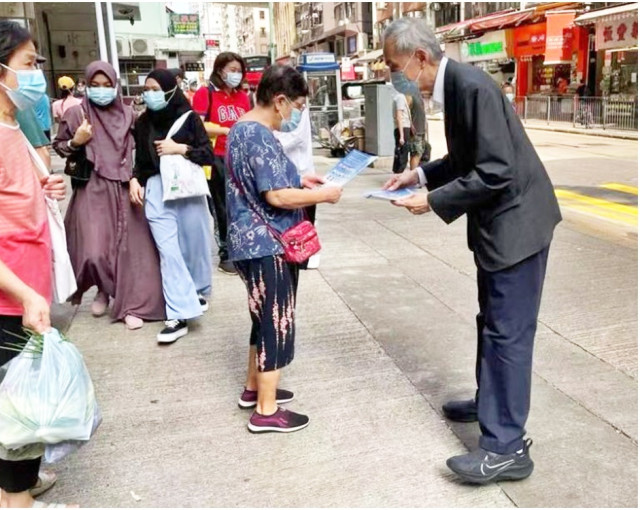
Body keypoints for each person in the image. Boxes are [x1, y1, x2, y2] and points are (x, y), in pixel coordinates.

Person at [383, 18, 561, 483]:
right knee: (493, 323)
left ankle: (506, 448)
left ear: (420, 57)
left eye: (393, 66)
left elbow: (496, 170)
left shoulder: (472, 87)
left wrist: (434, 200)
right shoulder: (458, 87)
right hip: (500, 231)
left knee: (508, 334)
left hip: (517, 228)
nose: (392, 77)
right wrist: (418, 177)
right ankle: (490, 406)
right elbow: (466, 160)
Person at [0, 19, 73, 508]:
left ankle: (17, 489)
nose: (37, 76)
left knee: (25, 403)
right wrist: (26, 294)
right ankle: (15, 501)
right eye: (29, 65)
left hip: (24, 291)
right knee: (15, 408)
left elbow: (8, 197)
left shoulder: (9, 123)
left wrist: (45, 187)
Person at [227, 65, 343, 433]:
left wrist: (303, 180)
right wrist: (322, 195)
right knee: (276, 321)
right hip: (268, 243)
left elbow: (268, 179)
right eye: (295, 106)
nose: (294, 115)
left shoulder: (243, 128)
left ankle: (253, 388)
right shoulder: (258, 135)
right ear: (278, 101)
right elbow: (275, 195)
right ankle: (266, 409)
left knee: (262, 319)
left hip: (250, 242)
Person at [54, 61, 165, 330]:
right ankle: (104, 288)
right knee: (94, 251)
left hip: (126, 187)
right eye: (95, 86)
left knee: (129, 250)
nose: (101, 91)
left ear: (115, 86)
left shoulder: (129, 115)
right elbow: (60, 147)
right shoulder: (76, 114)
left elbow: (143, 149)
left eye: (107, 86)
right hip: (91, 187)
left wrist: (138, 178)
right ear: (85, 86)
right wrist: (76, 141)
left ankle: (127, 302)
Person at [132, 69, 215, 344]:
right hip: (157, 190)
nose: (150, 94)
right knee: (169, 253)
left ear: (170, 89)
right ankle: (178, 315)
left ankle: (195, 291)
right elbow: (143, 160)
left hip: (187, 190)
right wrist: (135, 178)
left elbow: (207, 155)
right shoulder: (143, 122)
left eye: (156, 88)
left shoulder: (189, 118)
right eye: (147, 89)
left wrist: (179, 148)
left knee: (194, 245)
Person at [192, 51, 251, 275]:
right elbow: (198, 125)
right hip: (215, 157)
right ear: (219, 70)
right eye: (232, 70)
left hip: (240, 157)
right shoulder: (205, 94)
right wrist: (228, 129)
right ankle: (226, 252)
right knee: (221, 205)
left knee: (242, 205)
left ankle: (241, 246)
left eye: (239, 71)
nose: (236, 75)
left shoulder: (243, 97)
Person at [273, 101, 321, 269]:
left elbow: (295, 138)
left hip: (302, 172)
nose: (300, 107)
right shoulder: (274, 114)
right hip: (286, 176)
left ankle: (304, 257)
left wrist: (269, 139)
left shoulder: (300, 112)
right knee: (290, 222)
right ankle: (291, 256)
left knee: (305, 222)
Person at [392, 90, 413, 174]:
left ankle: (398, 173)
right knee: (402, 153)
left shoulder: (400, 97)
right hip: (403, 128)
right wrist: (401, 135)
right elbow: (399, 116)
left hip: (404, 127)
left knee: (401, 152)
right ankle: (399, 174)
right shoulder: (400, 97)